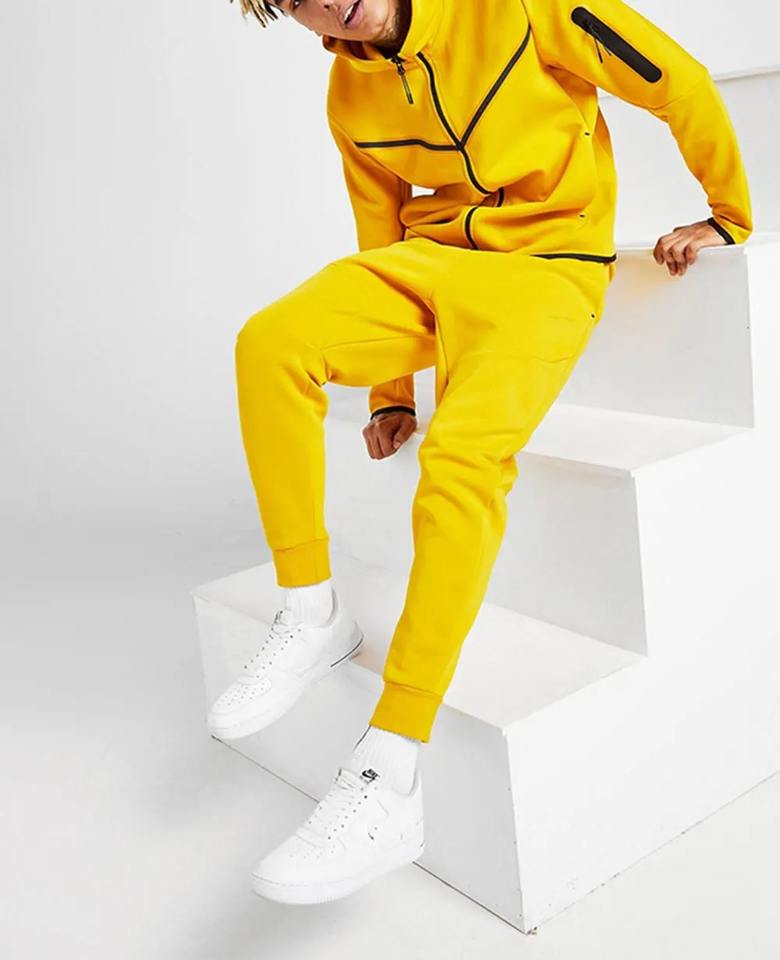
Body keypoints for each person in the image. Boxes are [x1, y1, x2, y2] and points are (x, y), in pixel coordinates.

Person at [212, 0, 753, 905]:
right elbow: (379, 227)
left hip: (549, 270)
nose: (331, 0)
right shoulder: (348, 94)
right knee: (269, 344)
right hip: (429, 266)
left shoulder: (520, 6)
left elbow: (678, 79)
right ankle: (308, 611)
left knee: (462, 458)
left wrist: (727, 215)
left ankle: (390, 770)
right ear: (289, 21)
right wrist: (390, 392)